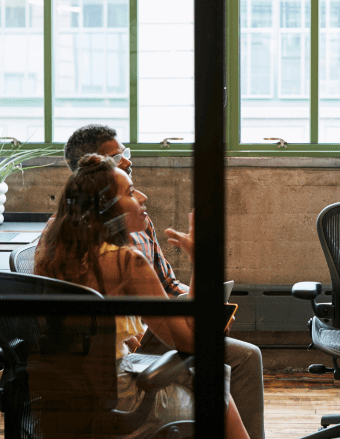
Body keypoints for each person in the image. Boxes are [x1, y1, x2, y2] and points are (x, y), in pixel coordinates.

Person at [62, 124, 265, 439]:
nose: (143, 195)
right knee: (209, 372)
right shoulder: (126, 260)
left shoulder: (59, 245)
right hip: (122, 389)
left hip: (75, 387)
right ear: (101, 200)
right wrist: (201, 263)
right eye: (129, 191)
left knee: (226, 360)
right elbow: (190, 342)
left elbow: (166, 288)